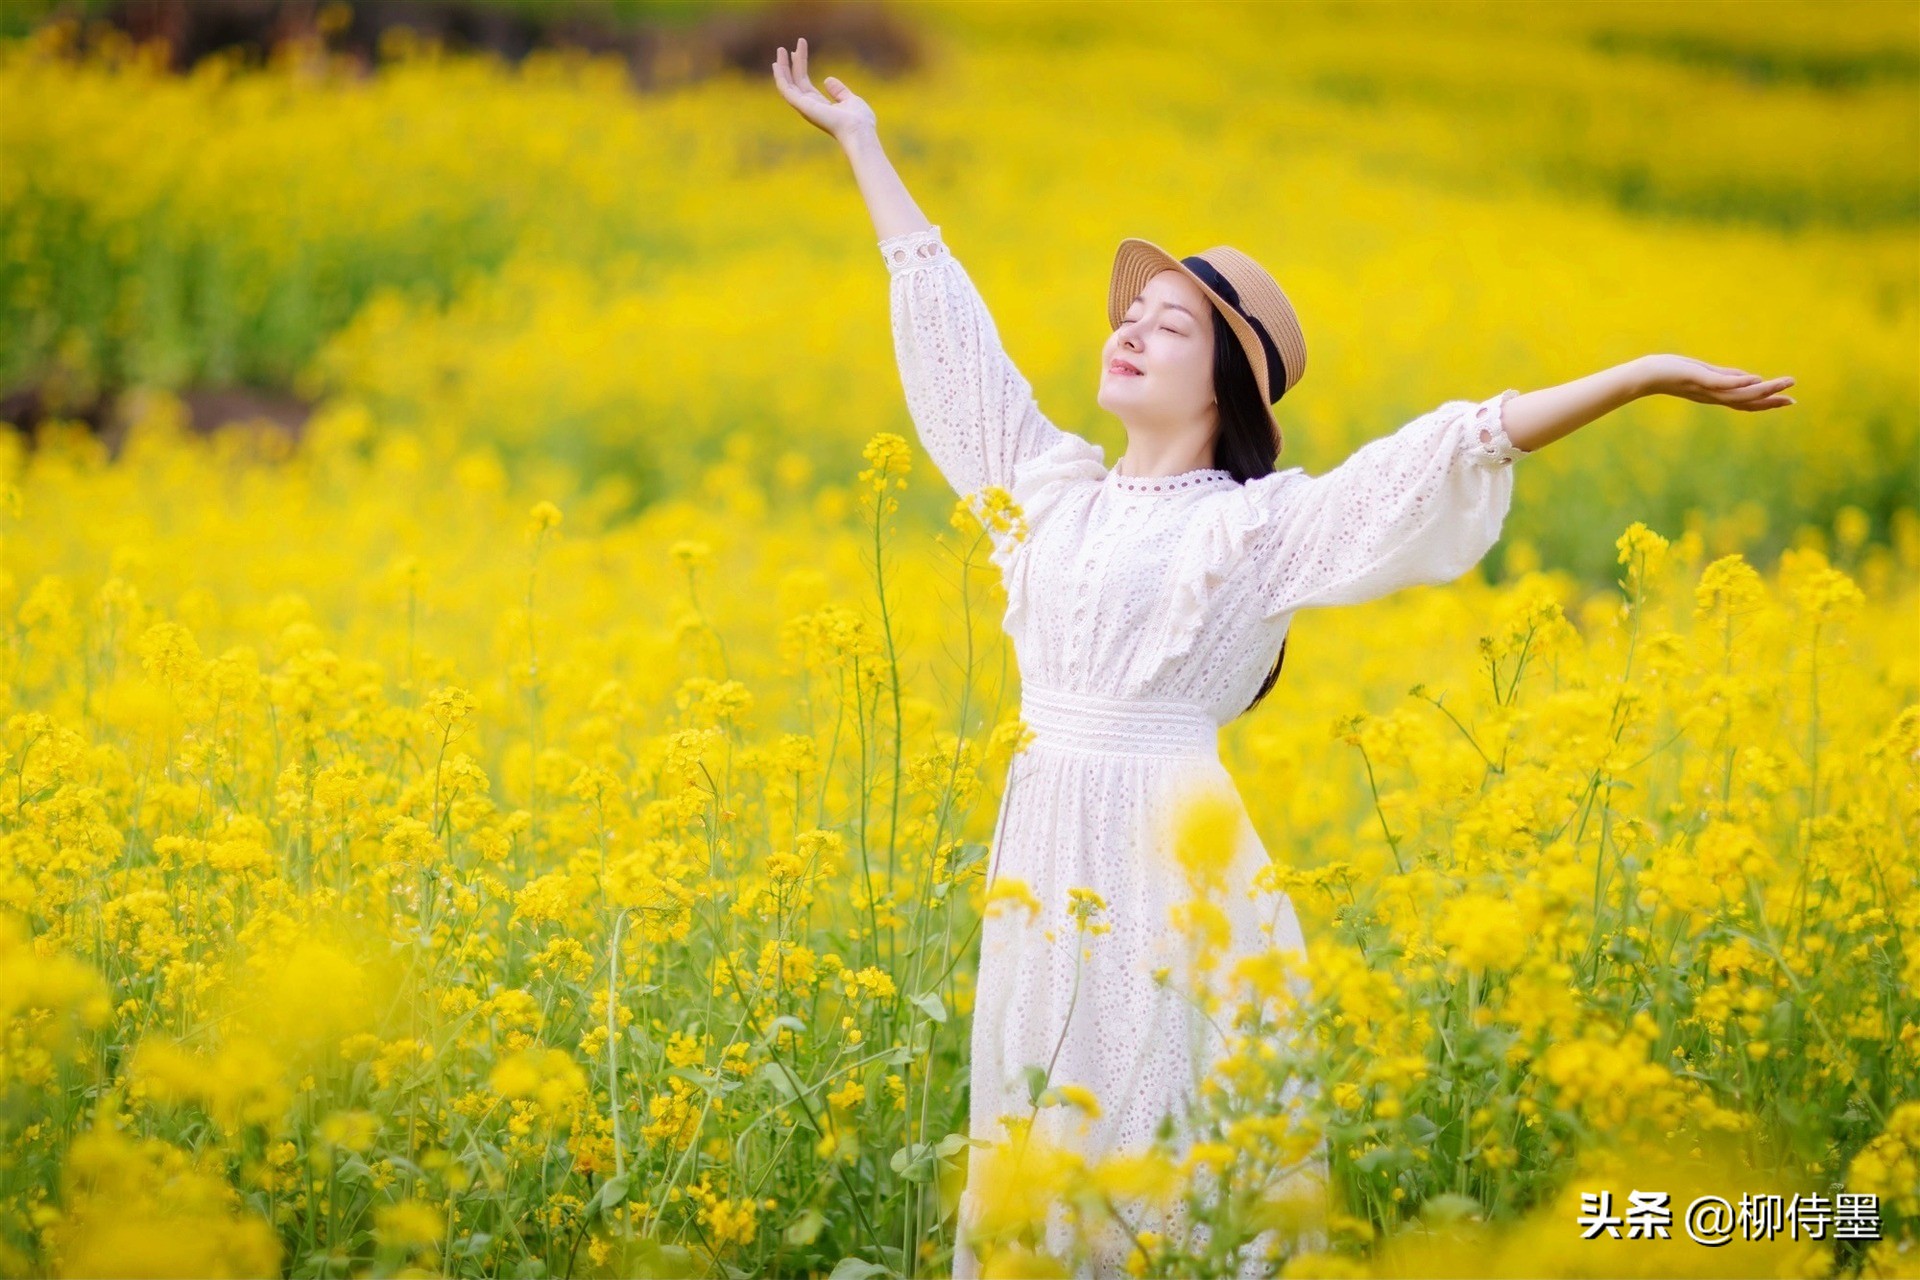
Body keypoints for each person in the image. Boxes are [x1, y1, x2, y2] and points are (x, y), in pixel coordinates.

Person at [773, 36, 1797, 1279]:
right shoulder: (1047, 491)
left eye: (1171, 328)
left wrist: (1636, 375)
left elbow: (1451, 445)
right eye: (1131, 318)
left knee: (1167, 1129)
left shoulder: (1253, 527)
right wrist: (868, 146)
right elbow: (948, 339)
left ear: (1228, 383)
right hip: (1041, 847)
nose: (1132, 335)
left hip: (1171, 853)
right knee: (1041, 1119)